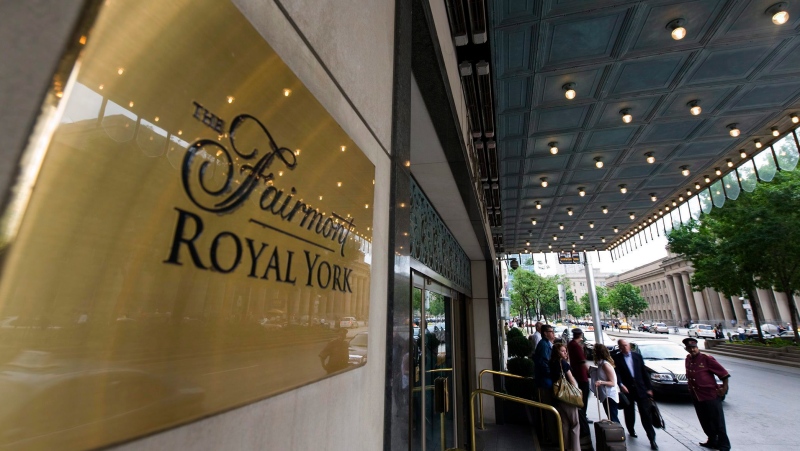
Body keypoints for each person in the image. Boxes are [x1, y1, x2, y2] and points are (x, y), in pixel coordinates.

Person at [683, 337, 731, 451]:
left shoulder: (706, 359)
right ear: (687, 349)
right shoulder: (688, 359)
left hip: (710, 395)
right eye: (690, 348)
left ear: (697, 347)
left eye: (694, 347)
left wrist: (724, 388)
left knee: (717, 421)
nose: (692, 350)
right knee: (704, 420)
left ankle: (724, 444)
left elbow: (724, 374)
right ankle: (712, 440)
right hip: (697, 395)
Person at [613, 338, 658, 450]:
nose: (625, 347)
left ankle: (652, 439)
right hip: (627, 390)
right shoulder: (617, 358)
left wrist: (649, 388)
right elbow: (617, 373)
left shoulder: (637, 356)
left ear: (629, 345)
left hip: (641, 389)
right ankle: (631, 429)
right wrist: (621, 384)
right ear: (619, 347)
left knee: (646, 415)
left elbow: (644, 372)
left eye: (626, 345)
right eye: (622, 346)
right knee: (629, 412)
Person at [550, 343, 581, 451]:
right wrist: (577, 392)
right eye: (563, 351)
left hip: (558, 396)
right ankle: (575, 448)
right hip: (568, 396)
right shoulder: (563, 363)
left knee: (564, 423)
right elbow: (571, 380)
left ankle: (565, 447)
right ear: (557, 352)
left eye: (565, 351)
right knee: (575, 423)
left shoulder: (552, 363)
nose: (565, 353)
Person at [533, 324, 557, 445]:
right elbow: (543, 363)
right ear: (545, 333)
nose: (553, 333)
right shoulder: (543, 345)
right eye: (551, 331)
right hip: (545, 382)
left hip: (546, 381)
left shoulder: (546, 344)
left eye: (553, 331)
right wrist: (551, 375)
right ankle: (550, 437)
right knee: (548, 411)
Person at [567, 328, 592, 439]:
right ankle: (582, 416)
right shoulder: (576, 346)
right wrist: (589, 372)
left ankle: (582, 415)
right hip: (581, 375)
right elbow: (582, 361)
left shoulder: (571, 344)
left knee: (583, 395)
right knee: (584, 396)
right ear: (580, 335)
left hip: (576, 372)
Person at [593, 344, 619, 423]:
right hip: (605, 395)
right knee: (611, 417)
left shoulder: (605, 365)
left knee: (613, 419)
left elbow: (612, 383)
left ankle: (619, 435)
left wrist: (601, 382)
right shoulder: (601, 364)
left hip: (610, 395)